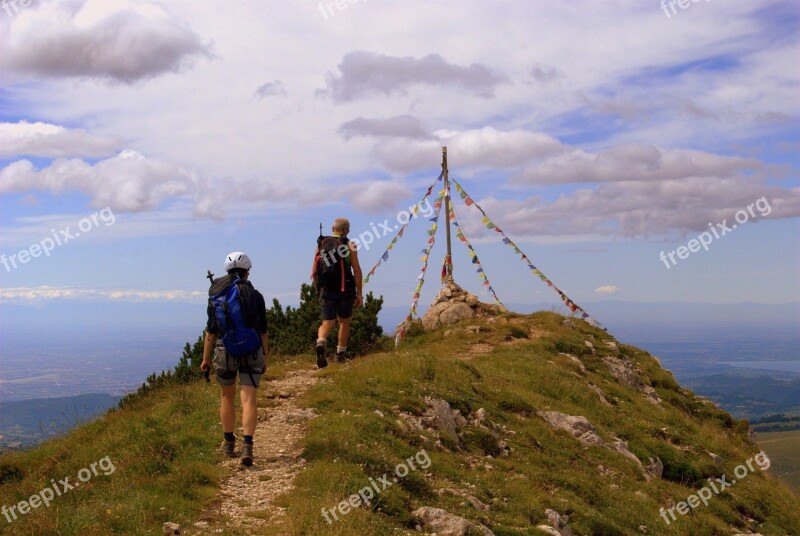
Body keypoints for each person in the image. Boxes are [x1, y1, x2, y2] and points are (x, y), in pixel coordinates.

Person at [201, 252, 268, 466]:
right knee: (248, 398)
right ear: (247, 271)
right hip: (251, 350)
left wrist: (206, 359)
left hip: (224, 350)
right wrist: (265, 355)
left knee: (226, 397)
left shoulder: (217, 296)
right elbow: (263, 331)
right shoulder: (255, 295)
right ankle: (248, 446)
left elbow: (211, 332)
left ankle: (229, 442)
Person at [312, 218, 363, 368]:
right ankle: (340, 355)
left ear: (333, 228)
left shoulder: (321, 244)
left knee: (327, 323)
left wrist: (318, 289)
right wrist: (359, 292)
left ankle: (321, 341)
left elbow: (315, 271)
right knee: (344, 321)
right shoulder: (349, 244)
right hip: (345, 288)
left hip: (326, 290)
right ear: (346, 230)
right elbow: (357, 270)